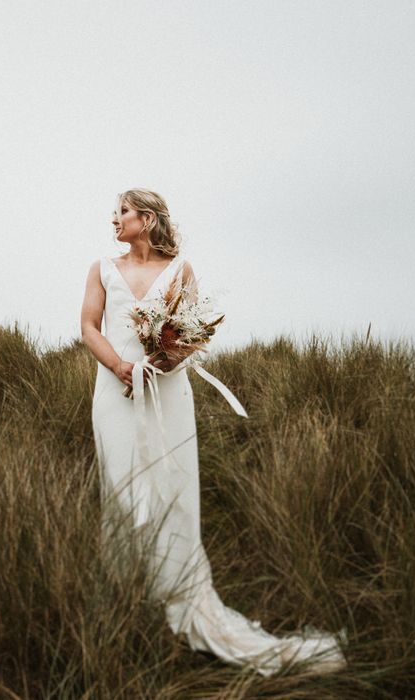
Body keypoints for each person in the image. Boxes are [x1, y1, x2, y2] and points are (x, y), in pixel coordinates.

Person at [80, 188, 347, 677]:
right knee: (121, 489)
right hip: (115, 394)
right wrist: (121, 366)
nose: (113, 219)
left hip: (168, 393)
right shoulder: (101, 267)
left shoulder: (181, 269)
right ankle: (127, 596)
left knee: (172, 486)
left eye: (121, 212)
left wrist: (164, 362)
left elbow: (193, 333)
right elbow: (88, 327)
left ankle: (178, 590)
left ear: (148, 217)